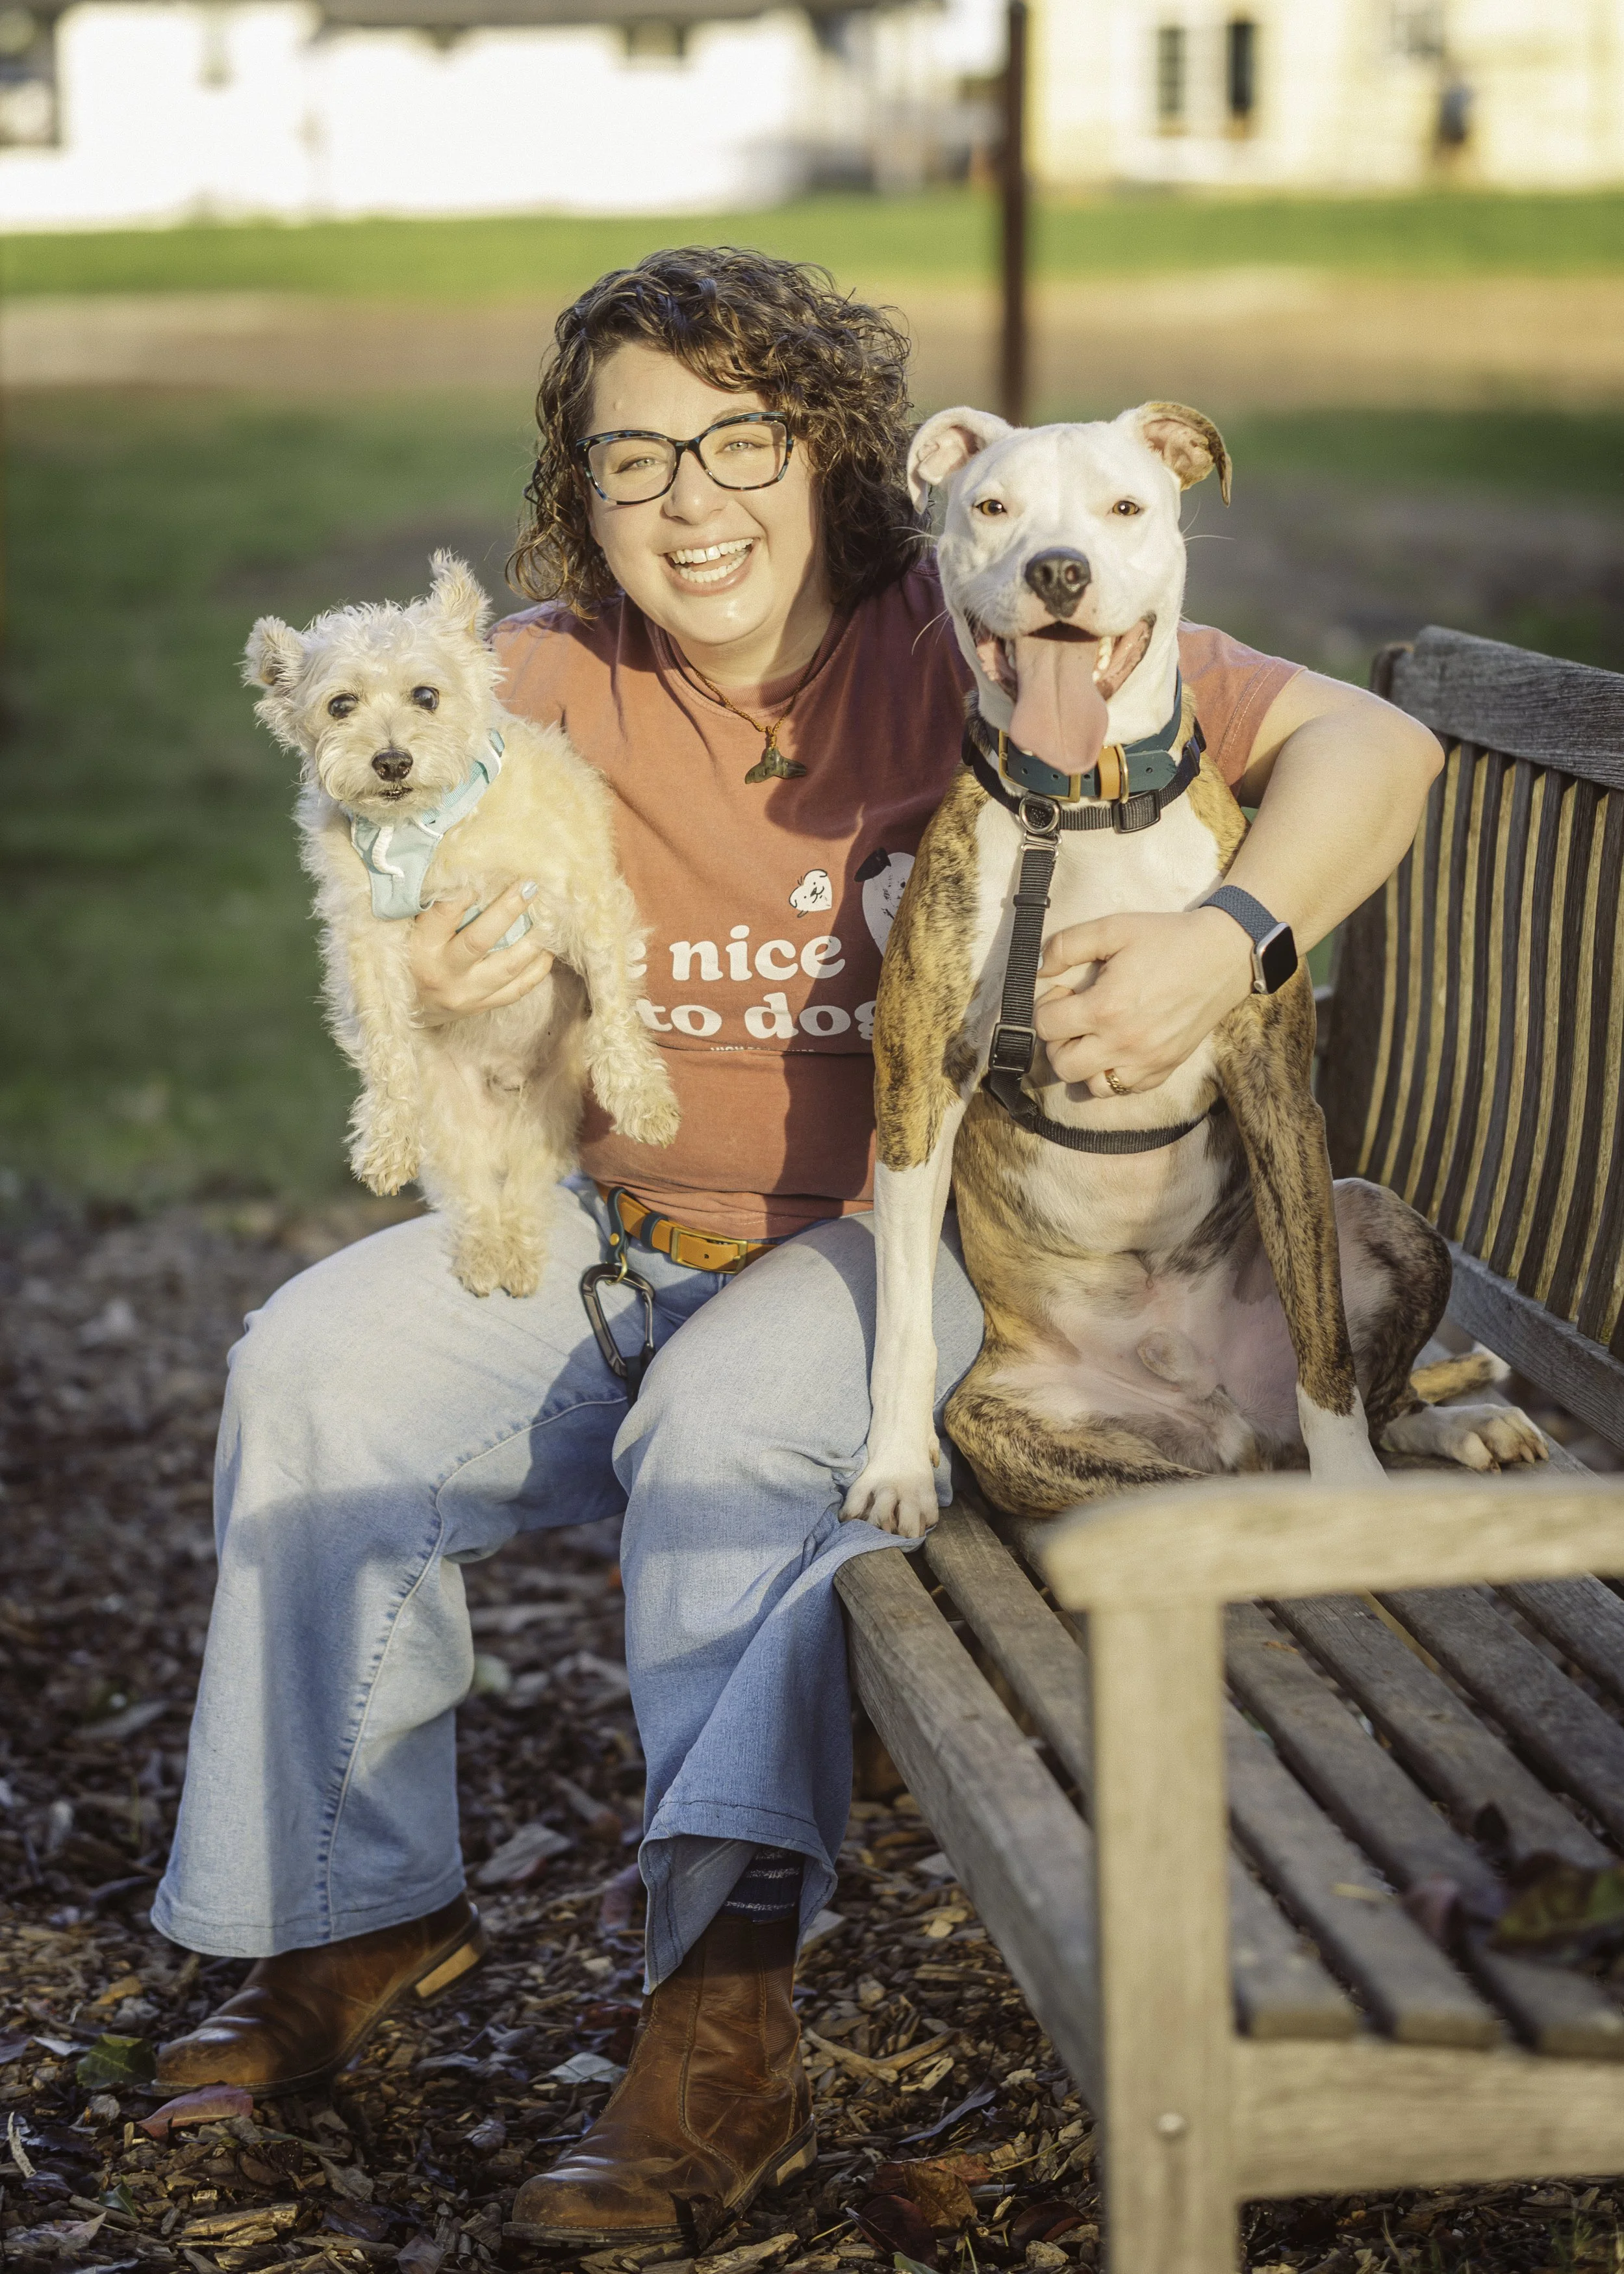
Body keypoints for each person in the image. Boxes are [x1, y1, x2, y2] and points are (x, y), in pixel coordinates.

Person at [151, 247, 1442, 2243]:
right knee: (311, 1361)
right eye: (629, 455)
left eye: (736, 440)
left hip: (875, 1245)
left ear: (834, 455)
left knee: (740, 1435)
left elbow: (1374, 748)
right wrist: (461, 998)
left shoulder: (996, 630)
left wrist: (1225, 933)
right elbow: (407, 889)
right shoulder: (535, 675)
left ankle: (716, 2033)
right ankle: (353, 1912)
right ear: (575, 492)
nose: (687, 497)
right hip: (601, 1224)